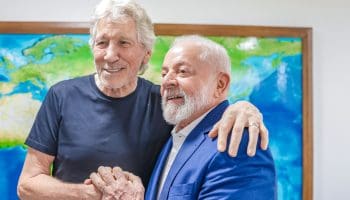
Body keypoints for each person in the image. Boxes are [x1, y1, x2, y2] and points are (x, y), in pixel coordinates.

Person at [17, 0, 268, 199]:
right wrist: (90, 195)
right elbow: (27, 185)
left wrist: (242, 107)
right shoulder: (61, 96)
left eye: (123, 43)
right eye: (102, 43)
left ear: (145, 54)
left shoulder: (166, 103)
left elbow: (205, 112)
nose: (110, 55)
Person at [89, 35, 276, 199]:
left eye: (182, 71)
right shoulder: (174, 136)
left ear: (220, 84)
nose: (167, 82)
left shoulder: (236, 142)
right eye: (164, 73)